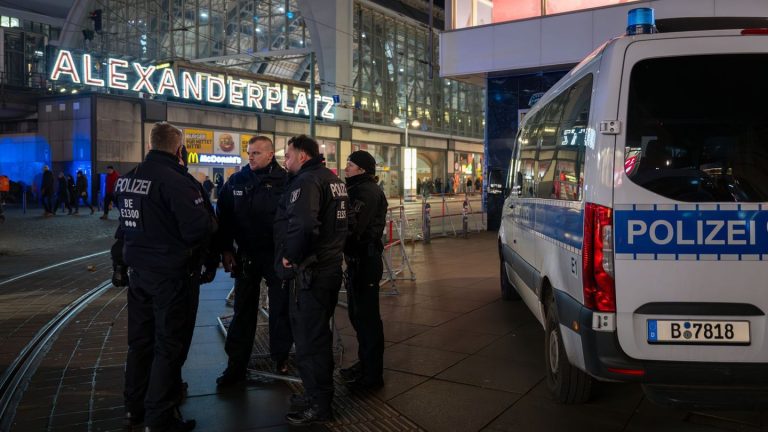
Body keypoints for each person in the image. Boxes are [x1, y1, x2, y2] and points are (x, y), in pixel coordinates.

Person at [110, 122, 215, 432]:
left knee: (140, 342)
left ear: (150, 145)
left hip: (138, 273)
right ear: (178, 149)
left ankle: (135, 406)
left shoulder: (129, 180)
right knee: (169, 346)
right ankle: (160, 417)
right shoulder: (176, 181)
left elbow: (123, 228)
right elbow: (198, 228)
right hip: (171, 275)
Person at [274, 135, 348, 426]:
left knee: (309, 340)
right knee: (317, 336)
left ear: (303, 156)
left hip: (312, 272)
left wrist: (290, 256)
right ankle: (316, 395)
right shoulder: (332, 179)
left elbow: (303, 224)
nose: (285, 161)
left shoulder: (307, 182)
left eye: (288, 155)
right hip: (327, 268)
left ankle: (319, 404)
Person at [215, 136, 291, 387]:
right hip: (246, 254)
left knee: (280, 309)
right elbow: (223, 217)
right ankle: (236, 364)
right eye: (249, 153)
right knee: (243, 311)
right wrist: (226, 249)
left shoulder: (287, 180)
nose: (251, 157)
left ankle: (281, 357)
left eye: (257, 153)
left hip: (276, 256)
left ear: (271, 155)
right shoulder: (237, 180)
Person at [338, 151, 388, 391]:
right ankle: (365, 364)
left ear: (362, 169)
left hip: (366, 261)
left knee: (367, 319)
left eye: (350, 165)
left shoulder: (366, 192)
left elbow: (355, 227)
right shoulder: (357, 189)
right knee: (358, 316)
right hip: (359, 260)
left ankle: (372, 376)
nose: (346, 168)